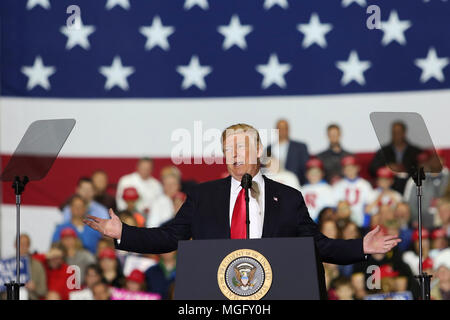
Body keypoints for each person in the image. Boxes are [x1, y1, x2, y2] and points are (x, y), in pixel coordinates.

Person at [85, 123, 401, 269]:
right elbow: (169, 237)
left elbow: (316, 247)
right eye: (227, 150)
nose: (233, 155)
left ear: (259, 151)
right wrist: (123, 233)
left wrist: (361, 245)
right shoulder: (202, 196)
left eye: (240, 148)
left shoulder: (288, 198)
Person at [369, 121, 422, 194]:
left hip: (409, 183)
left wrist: (403, 169)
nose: (396, 135)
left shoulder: (415, 151)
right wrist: (387, 168)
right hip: (388, 183)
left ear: (404, 133)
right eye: (394, 132)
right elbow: (372, 168)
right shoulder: (383, 151)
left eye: (399, 132)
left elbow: (421, 169)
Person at [403, 151, 449, 230]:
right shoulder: (418, 178)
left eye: (439, 159)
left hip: (446, 222)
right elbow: (410, 202)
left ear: (444, 160)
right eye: (433, 159)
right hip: (423, 220)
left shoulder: (448, 177)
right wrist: (415, 219)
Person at [332, 156, 373, 228]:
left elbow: (369, 204)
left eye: (352, 168)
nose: (350, 171)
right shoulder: (338, 185)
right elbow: (336, 206)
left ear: (358, 168)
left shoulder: (365, 184)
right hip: (343, 222)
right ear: (343, 170)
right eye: (347, 169)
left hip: (361, 221)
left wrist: (366, 220)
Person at [265, 119, 310, 185]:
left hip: (295, 184)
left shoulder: (300, 147)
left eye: (284, 128)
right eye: (279, 128)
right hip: (274, 184)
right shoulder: (269, 148)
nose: (282, 131)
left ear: (288, 129)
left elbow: (305, 168)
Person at [18, 234, 47, 300]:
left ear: (29, 246)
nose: (22, 247)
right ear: (15, 245)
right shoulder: (6, 265)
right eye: (20, 244)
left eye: (25, 244)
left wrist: (34, 287)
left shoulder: (37, 265)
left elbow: (43, 291)